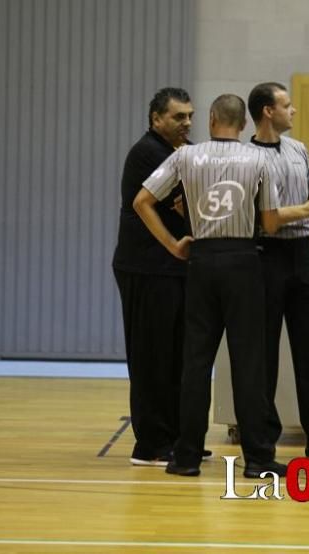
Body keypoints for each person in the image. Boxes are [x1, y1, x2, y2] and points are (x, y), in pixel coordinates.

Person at [134, 93, 309, 478]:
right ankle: (257, 459)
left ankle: (186, 457)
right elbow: (270, 225)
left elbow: (142, 201)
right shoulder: (258, 160)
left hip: (201, 261)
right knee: (249, 365)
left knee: (196, 363)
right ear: (242, 124)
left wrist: (173, 245)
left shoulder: (186, 156)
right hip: (244, 264)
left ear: (212, 120)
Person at [247, 81, 309, 459]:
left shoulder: (298, 148)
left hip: (302, 256)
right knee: (264, 355)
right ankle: (265, 440)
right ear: (268, 111)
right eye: (286, 105)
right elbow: (264, 218)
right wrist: (307, 208)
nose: (294, 110)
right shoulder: (247, 156)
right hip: (266, 256)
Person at [112, 87, 193, 466]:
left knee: (174, 354)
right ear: (156, 119)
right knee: (151, 356)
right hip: (146, 267)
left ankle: (174, 435)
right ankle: (150, 444)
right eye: (178, 117)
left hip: (171, 268)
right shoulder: (149, 153)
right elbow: (177, 204)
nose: (186, 123)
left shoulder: (179, 152)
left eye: (189, 116)